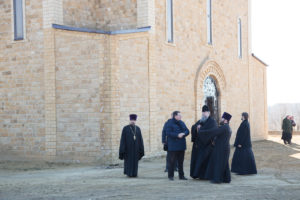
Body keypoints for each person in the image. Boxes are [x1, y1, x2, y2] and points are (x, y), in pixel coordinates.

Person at [198, 112, 232, 183]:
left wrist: (201, 131)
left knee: (219, 163)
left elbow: (213, 131)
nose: (221, 119)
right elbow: (220, 136)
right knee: (224, 164)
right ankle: (226, 179)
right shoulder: (226, 127)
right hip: (223, 148)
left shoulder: (224, 127)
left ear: (225, 120)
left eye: (222, 118)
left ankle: (217, 179)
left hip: (221, 149)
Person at [190, 105, 217, 179]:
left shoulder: (212, 121)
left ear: (208, 113)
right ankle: (197, 174)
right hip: (199, 146)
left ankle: (206, 175)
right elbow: (193, 127)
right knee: (198, 161)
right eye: (203, 112)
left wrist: (200, 130)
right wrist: (196, 128)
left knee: (205, 161)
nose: (203, 114)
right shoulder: (201, 120)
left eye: (205, 112)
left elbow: (212, 132)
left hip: (207, 145)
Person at [166, 111, 190, 181]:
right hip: (173, 146)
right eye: (179, 115)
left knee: (181, 162)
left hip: (181, 145)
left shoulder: (182, 122)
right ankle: (171, 176)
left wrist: (184, 133)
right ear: (175, 116)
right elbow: (168, 133)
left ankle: (181, 176)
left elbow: (187, 130)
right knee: (172, 162)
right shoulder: (169, 123)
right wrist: (177, 135)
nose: (181, 116)